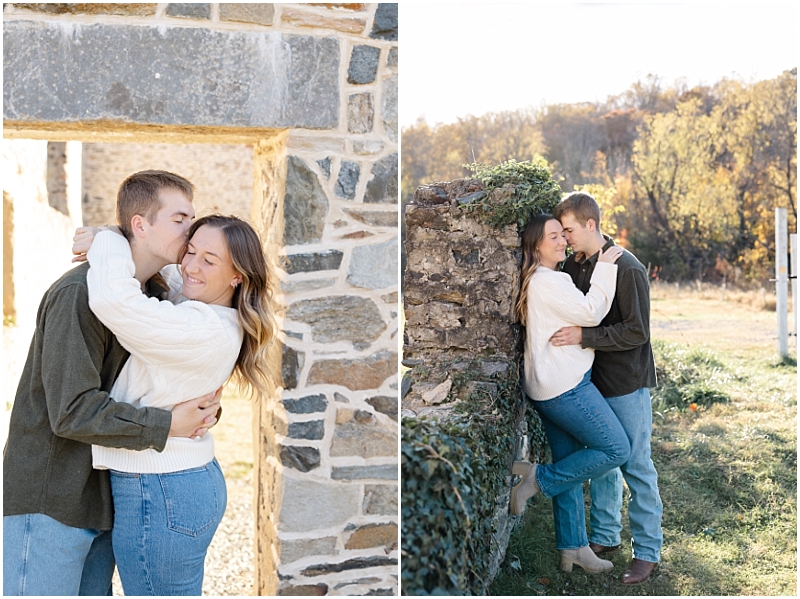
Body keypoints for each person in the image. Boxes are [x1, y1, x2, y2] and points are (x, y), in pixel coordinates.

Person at [3, 170, 222, 597]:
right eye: (180, 218)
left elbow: (155, 381)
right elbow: (71, 410)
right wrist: (166, 424)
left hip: (106, 497)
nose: (190, 229)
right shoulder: (78, 294)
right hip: (52, 499)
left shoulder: (154, 296)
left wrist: (199, 409)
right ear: (140, 225)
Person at [81, 212, 275, 595]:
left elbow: (114, 300)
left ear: (238, 275)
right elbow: (169, 276)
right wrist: (114, 234)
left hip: (162, 490)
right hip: (177, 484)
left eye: (209, 259)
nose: (191, 266)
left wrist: (108, 242)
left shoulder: (201, 328)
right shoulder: (205, 309)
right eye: (190, 251)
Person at [550, 191, 662, 585]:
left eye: (569, 230)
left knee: (635, 465)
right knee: (604, 460)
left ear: (591, 224)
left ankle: (647, 552)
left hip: (626, 382)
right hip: (590, 382)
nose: (565, 239)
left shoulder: (628, 267)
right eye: (560, 232)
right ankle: (604, 536)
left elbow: (637, 331)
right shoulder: (577, 265)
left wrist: (584, 336)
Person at [512, 213, 630, 573]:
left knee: (570, 466)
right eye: (553, 237)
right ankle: (538, 478)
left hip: (548, 387)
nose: (562, 241)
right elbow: (592, 313)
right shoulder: (548, 281)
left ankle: (573, 549)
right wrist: (606, 268)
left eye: (563, 234)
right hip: (565, 388)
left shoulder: (540, 279)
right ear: (535, 246)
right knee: (615, 448)